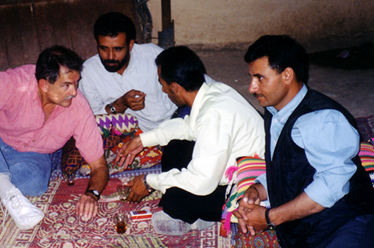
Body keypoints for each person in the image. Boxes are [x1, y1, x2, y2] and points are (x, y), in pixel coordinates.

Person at [234, 35, 374, 248]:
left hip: (347, 223)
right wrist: (258, 189)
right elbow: (289, 165)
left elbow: (331, 186)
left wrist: (270, 217)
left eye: (260, 78)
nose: (252, 87)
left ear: (287, 75)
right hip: (307, 228)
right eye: (251, 77)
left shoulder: (321, 120)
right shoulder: (275, 110)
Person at [115, 46, 265, 234]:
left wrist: (149, 181)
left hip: (246, 189)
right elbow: (188, 127)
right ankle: (193, 213)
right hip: (231, 167)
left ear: (175, 87)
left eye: (163, 84)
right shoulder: (215, 91)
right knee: (174, 147)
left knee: (175, 195)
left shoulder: (212, 115)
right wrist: (143, 140)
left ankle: (196, 217)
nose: (163, 90)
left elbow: (201, 182)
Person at [0, 46, 109, 230]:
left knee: (36, 182)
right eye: (66, 85)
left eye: (76, 83)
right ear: (44, 84)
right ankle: (7, 190)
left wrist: (92, 194)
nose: (74, 92)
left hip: (30, 156)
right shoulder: (15, 83)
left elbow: (98, 165)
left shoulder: (79, 108)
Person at [79, 12, 177, 132]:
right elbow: (91, 119)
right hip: (135, 135)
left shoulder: (152, 55)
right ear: (96, 43)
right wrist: (120, 105)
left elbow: (193, 82)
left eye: (118, 49)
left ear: (130, 45)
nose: (110, 56)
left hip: (175, 123)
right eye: (104, 48)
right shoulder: (88, 72)